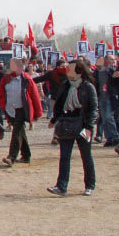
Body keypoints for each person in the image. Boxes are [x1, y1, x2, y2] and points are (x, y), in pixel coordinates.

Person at [47, 58, 98, 196]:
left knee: (86, 156)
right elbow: (59, 104)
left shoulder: (88, 87)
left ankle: (90, 185)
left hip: (83, 124)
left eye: (70, 68)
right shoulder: (66, 85)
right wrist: (54, 119)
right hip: (67, 123)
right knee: (64, 156)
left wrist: (89, 127)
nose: (67, 70)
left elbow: (93, 109)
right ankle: (61, 186)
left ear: (79, 71)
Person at [0, 58, 42, 166]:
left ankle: (11, 157)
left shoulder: (26, 79)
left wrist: (38, 112)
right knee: (21, 132)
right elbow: (2, 94)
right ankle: (26, 155)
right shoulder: (6, 79)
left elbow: (34, 96)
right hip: (10, 109)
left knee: (16, 132)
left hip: (21, 109)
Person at [95, 54, 119, 146]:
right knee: (104, 118)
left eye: (114, 59)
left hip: (110, 97)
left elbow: (116, 84)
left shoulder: (112, 71)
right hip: (101, 97)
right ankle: (109, 138)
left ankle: (115, 136)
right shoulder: (97, 72)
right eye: (111, 59)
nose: (113, 61)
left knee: (109, 117)